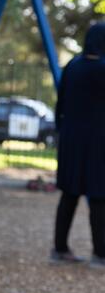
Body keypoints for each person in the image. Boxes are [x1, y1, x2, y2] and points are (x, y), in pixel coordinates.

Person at [51, 21, 105, 268]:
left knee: (69, 195)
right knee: (98, 197)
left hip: (72, 142)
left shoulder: (73, 66)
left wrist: (64, 131)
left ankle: (59, 248)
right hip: (98, 143)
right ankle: (100, 253)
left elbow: (60, 104)